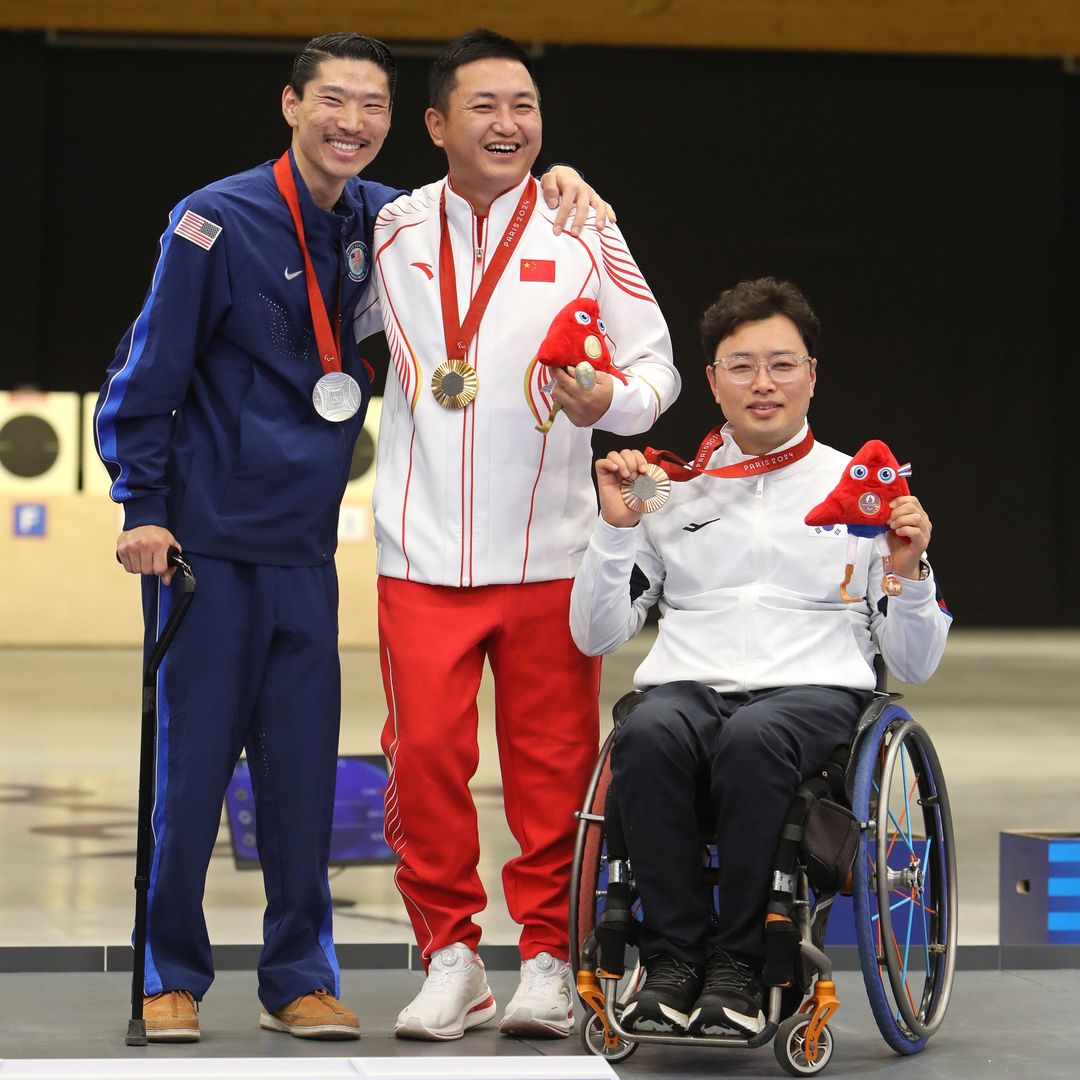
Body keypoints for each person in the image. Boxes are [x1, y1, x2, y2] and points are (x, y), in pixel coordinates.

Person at [94, 31, 608, 1044]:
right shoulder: (214, 219)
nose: (353, 123)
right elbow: (142, 376)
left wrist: (563, 182)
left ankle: (297, 976)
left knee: (298, 775)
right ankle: (171, 973)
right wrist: (141, 508)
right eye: (334, 101)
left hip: (305, 549)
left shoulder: (385, 219)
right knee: (193, 773)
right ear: (291, 105)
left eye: (372, 106)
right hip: (202, 545)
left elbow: (481, 199)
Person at [367, 29, 681, 1043]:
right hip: (421, 551)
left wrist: (609, 399)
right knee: (422, 760)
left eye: (526, 107)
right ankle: (450, 958)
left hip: (551, 552)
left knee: (551, 765)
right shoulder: (389, 230)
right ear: (436, 123)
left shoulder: (585, 229)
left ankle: (548, 955)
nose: (509, 125)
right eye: (485, 106)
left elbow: (657, 372)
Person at [569, 277, 952, 1037]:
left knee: (755, 739)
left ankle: (742, 963)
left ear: (813, 373)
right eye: (741, 366)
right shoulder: (667, 492)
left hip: (810, 695)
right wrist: (613, 533)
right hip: (687, 690)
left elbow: (915, 663)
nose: (763, 383)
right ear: (712, 381)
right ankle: (676, 962)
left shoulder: (862, 493)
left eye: (782, 364)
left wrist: (907, 570)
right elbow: (595, 635)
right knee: (644, 734)